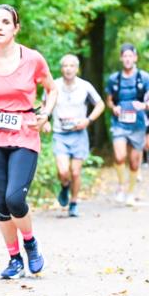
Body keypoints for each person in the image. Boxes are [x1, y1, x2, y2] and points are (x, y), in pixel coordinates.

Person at [0, 5, 57, 279]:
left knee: (15, 198)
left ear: (16, 28)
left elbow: (51, 90)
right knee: (2, 205)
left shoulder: (33, 59)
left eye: (6, 22)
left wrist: (45, 115)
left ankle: (30, 243)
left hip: (25, 131)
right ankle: (14, 259)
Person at [42, 54, 105, 218]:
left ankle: (74, 203)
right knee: (63, 171)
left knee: (76, 172)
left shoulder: (85, 86)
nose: (68, 69)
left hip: (79, 134)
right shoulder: (53, 86)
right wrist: (45, 121)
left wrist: (88, 120)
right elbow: (44, 105)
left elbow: (100, 104)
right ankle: (64, 186)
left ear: (77, 69)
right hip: (60, 134)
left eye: (72, 66)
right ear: (61, 68)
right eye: (65, 66)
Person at [106, 44, 149, 206]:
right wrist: (114, 108)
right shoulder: (114, 79)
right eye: (125, 56)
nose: (128, 59)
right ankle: (121, 186)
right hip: (119, 123)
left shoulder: (144, 77)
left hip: (138, 124)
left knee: (135, 162)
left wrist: (144, 106)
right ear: (121, 58)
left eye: (131, 56)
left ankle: (130, 192)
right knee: (120, 156)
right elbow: (109, 99)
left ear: (135, 58)